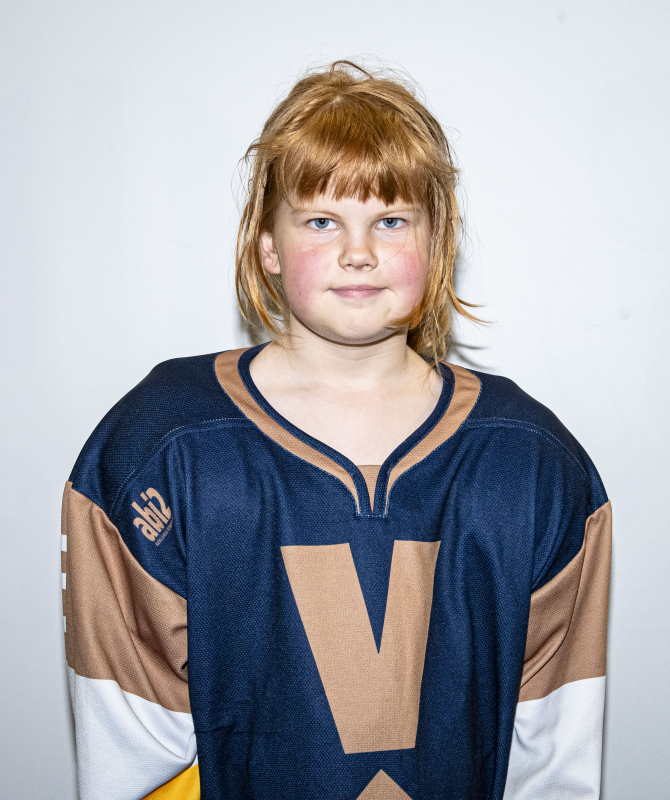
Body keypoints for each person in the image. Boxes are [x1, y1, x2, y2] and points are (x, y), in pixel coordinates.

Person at [61, 60, 611, 800]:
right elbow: (131, 753)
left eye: (391, 221)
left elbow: (551, 756)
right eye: (322, 220)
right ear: (267, 244)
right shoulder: (161, 446)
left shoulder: (533, 463)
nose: (359, 251)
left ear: (438, 242)